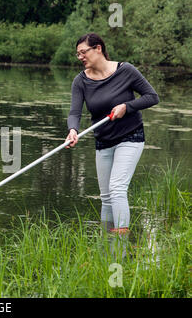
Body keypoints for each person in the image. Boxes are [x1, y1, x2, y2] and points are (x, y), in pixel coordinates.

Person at [65, 33, 159, 235]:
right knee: (106, 196)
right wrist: (73, 130)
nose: (80, 57)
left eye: (83, 52)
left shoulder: (126, 71)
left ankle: (121, 238)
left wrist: (127, 106)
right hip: (103, 141)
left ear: (98, 48)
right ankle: (107, 242)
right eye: (78, 54)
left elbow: (152, 97)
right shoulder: (80, 81)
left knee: (117, 188)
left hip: (130, 137)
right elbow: (74, 112)